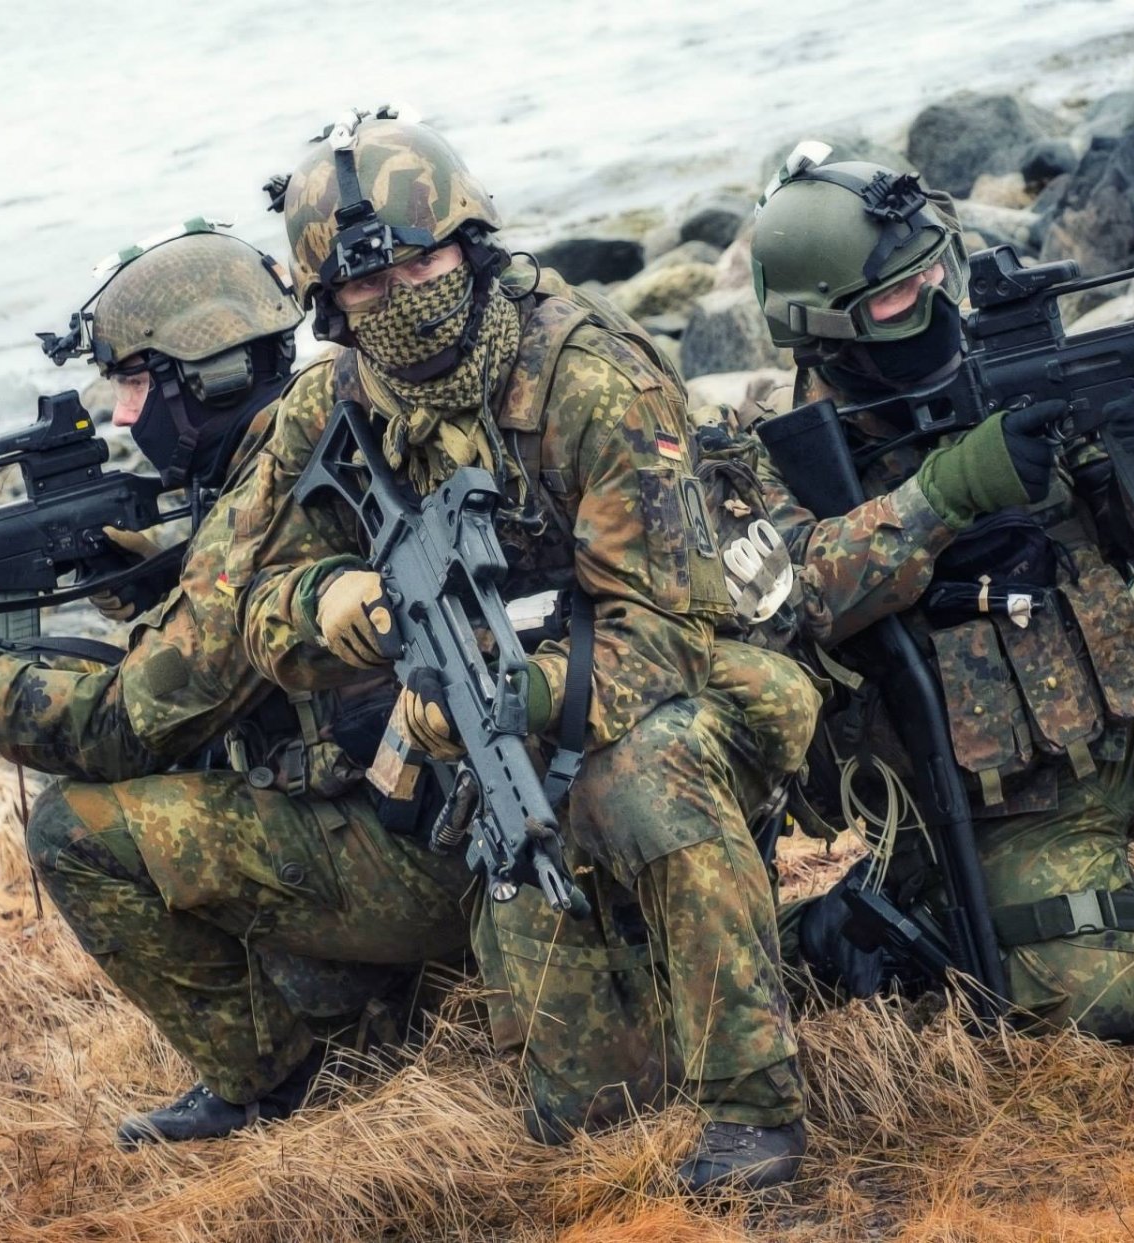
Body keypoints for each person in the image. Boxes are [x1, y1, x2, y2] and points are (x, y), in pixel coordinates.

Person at [233, 109, 822, 1191]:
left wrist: (514, 697)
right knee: (583, 1108)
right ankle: (648, 981)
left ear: (472, 245)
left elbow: (669, 628)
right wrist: (335, 607)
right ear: (328, 305)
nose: (400, 294)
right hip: (485, 717)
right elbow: (250, 600)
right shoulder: (327, 406)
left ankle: (755, 1109)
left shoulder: (588, 376)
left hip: (691, 676)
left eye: (421, 261)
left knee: (647, 778)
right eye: (365, 286)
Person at [0, 222, 477, 1148]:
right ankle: (370, 995)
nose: (124, 417)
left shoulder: (268, 503)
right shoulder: (320, 432)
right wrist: (161, 578)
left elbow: (121, 728)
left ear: (207, 372)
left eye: (136, 381)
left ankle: (275, 1081)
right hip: (457, 827)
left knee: (73, 830)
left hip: (432, 870)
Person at [735, 148, 1134, 1041]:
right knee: (1117, 1009)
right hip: (990, 799)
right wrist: (952, 490)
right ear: (821, 324)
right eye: (894, 296)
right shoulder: (763, 451)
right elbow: (792, 600)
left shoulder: (1008, 363)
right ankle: (843, 931)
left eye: (935, 272)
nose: (930, 303)